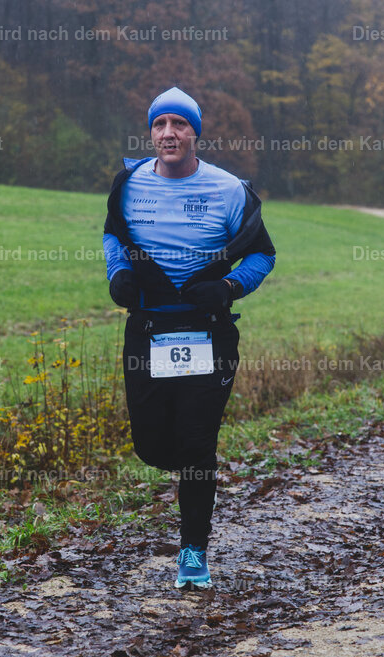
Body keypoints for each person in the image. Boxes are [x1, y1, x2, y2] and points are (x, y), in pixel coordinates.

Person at [102, 87, 275, 588]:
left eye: (180, 124)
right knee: (155, 448)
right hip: (149, 329)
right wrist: (118, 274)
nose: (169, 133)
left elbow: (262, 254)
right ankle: (184, 468)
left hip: (208, 333)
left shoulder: (227, 189)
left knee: (198, 447)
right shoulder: (129, 184)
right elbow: (114, 233)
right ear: (150, 132)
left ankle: (193, 554)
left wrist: (227, 285)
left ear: (195, 132)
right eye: (160, 124)